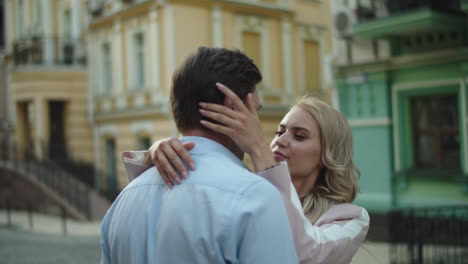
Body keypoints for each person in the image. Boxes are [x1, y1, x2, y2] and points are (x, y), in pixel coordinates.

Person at [122, 84, 370, 264]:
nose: (281, 140)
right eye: (279, 131)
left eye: (299, 136)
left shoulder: (351, 218)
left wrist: (259, 148)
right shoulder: (245, 189)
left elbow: (306, 254)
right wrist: (154, 156)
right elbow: (164, 212)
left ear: (327, 154)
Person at [101, 47, 299, 264]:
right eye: (256, 110)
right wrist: (259, 147)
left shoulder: (123, 201)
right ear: (233, 108)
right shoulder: (254, 196)